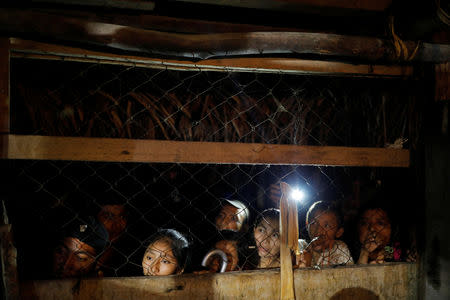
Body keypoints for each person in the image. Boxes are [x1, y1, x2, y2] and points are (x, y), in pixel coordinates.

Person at [299, 201, 353, 267]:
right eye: (314, 223)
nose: (318, 231)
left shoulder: (339, 248)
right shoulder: (300, 245)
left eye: (327, 226)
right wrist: (308, 251)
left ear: (338, 232)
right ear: (307, 225)